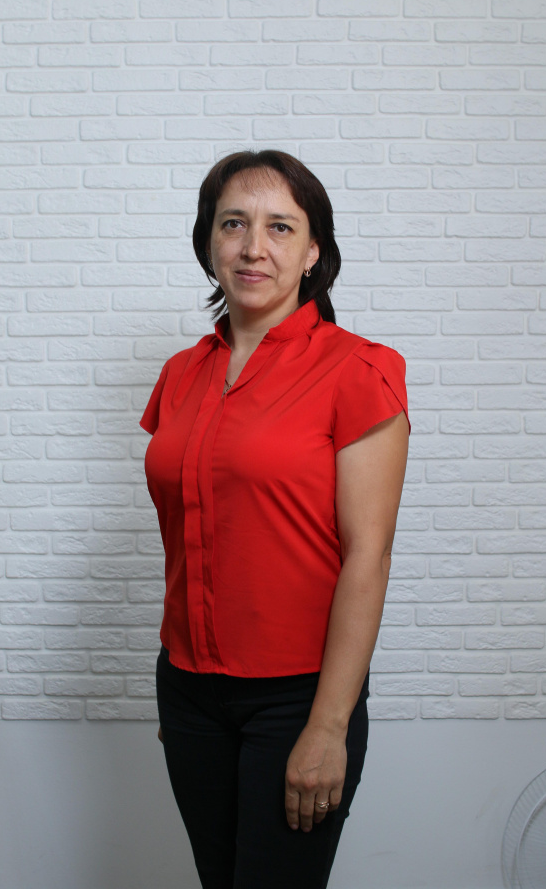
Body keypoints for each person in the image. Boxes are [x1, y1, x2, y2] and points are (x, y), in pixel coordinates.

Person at [139, 149, 410, 889]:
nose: (253, 247)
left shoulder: (358, 371)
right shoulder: (181, 374)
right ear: (209, 242)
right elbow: (193, 532)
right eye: (233, 224)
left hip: (299, 696)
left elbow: (368, 556)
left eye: (280, 227)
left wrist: (328, 725)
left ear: (313, 250)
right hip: (188, 688)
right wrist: (183, 687)